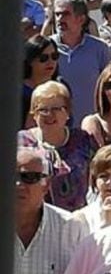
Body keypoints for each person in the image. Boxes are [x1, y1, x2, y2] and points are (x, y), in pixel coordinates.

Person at [19, 81, 97, 212]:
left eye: (56, 109)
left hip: (79, 219)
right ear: (34, 114)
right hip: (34, 219)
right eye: (43, 110)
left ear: (67, 112)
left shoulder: (83, 140)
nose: (49, 114)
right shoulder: (22, 142)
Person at [53, 0, 111, 123]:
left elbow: (109, 87)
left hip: (90, 129)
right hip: (55, 129)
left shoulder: (99, 49)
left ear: (81, 19)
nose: (59, 19)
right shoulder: (47, 49)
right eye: (57, 14)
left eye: (65, 14)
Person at [23, 34, 61, 127]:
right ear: (30, 60)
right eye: (44, 58)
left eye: (54, 56)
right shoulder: (18, 92)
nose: (50, 62)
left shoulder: (61, 87)